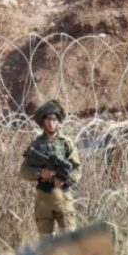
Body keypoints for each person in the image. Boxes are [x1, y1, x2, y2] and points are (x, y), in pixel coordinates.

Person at [20, 99, 81, 236]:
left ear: (58, 121)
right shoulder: (35, 145)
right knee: (46, 241)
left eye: (54, 119)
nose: (51, 122)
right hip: (43, 196)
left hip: (63, 196)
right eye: (48, 119)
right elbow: (24, 171)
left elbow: (77, 169)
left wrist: (65, 180)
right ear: (43, 121)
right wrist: (40, 173)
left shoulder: (66, 143)